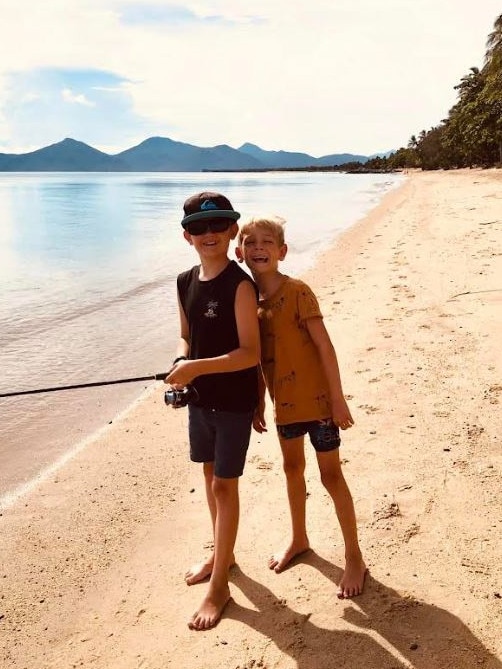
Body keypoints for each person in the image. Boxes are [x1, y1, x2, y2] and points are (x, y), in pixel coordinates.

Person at [236, 215, 367, 598]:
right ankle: (299, 539)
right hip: (285, 407)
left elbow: (325, 347)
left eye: (267, 242)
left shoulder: (298, 292)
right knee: (292, 469)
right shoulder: (252, 305)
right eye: (251, 242)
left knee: (331, 476)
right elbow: (259, 357)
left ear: (282, 251)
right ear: (240, 252)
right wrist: (259, 399)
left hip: (320, 406)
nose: (259, 248)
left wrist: (338, 399)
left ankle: (354, 556)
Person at [165, 192, 260, 630]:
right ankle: (224, 554)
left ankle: (219, 584)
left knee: (225, 487)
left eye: (218, 226)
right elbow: (186, 336)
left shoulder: (240, 285)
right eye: (199, 229)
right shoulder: (185, 281)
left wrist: (196, 367)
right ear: (187, 236)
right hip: (200, 400)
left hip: (234, 402)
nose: (209, 234)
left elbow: (248, 353)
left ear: (231, 231)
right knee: (208, 477)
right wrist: (180, 362)